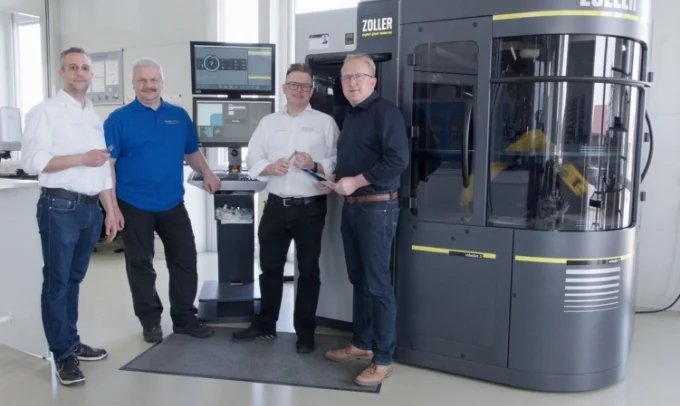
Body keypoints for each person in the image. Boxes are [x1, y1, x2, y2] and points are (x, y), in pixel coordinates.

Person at [21, 47, 119, 386]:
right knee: (58, 282)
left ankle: (72, 341)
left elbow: (102, 166)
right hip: (59, 207)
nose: (80, 73)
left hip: (91, 208)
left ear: (92, 75)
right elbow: (32, 162)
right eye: (73, 67)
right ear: (61, 73)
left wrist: (111, 209)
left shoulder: (92, 114)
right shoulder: (45, 112)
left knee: (74, 280)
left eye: (85, 68)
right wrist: (81, 158)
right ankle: (62, 354)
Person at [103, 57, 220, 343]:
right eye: (142, 80)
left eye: (153, 80)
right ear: (133, 84)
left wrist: (207, 172)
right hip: (133, 204)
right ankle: (150, 321)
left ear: (162, 83)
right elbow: (108, 166)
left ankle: (184, 318)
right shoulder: (118, 119)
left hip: (172, 203)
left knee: (185, 260)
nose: (148, 85)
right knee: (140, 265)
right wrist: (112, 208)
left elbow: (191, 152)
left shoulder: (178, 116)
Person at [231, 63, 339, 353]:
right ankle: (265, 325)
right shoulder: (269, 123)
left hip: (310, 208)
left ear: (312, 91)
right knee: (269, 268)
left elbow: (337, 160)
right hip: (276, 206)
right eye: (294, 85)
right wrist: (269, 167)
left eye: (305, 86)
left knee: (309, 272)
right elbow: (252, 159)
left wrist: (315, 165)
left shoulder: (325, 123)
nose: (299, 90)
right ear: (284, 88)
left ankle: (305, 333)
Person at [321, 54, 409, 386]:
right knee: (359, 280)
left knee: (377, 285)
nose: (352, 83)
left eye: (358, 77)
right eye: (346, 78)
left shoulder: (386, 112)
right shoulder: (351, 115)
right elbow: (356, 158)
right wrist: (333, 179)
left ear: (373, 81)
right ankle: (362, 342)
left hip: (377, 209)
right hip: (353, 207)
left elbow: (398, 160)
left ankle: (383, 359)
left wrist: (356, 181)